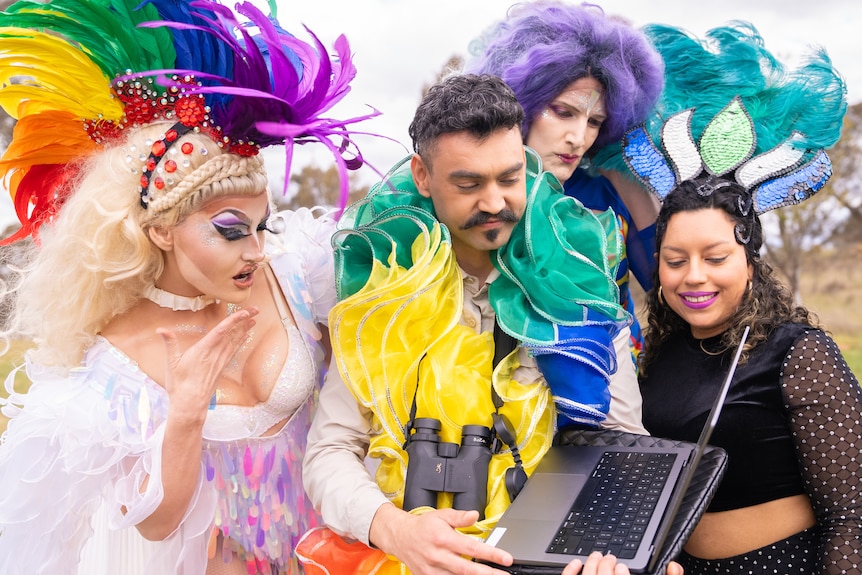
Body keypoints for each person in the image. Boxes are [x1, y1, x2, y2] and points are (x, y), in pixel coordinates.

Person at [0, 0, 374, 573]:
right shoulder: (113, 366)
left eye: (261, 226)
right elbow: (154, 523)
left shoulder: (297, 276)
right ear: (161, 232)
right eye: (229, 231)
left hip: (334, 553)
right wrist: (186, 416)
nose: (255, 250)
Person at [299, 73, 652, 575]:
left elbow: (621, 448)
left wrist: (602, 552)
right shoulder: (382, 286)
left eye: (509, 179)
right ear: (422, 176)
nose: (493, 203)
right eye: (468, 184)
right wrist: (395, 530)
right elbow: (330, 451)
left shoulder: (580, 283)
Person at [620, 22, 860, 575]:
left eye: (716, 257)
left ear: (749, 262)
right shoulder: (659, 354)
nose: (693, 277)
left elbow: (853, 515)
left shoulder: (799, 354)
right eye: (675, 261)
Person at [464, 1, 666, 367]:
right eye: (563, 112)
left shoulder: (606, 193)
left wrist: (624, 175)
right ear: (520, 102)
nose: (578, 137)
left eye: (595, 121)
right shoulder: (476, 194)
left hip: (614, 390)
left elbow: (669, 289)